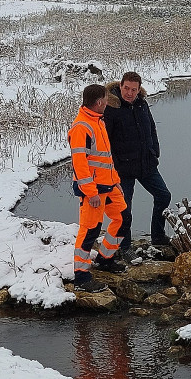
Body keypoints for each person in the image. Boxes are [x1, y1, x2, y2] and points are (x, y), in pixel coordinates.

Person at [103, 71, 171, 252]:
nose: (129, 93)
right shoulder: (111, 108)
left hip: (146, 163)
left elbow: (151, 127)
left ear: (139, 89)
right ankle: (124, 247)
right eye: (126, 88)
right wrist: (113, 165)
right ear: (120, 86)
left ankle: (157, 236)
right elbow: (105, 141)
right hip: (122, 168)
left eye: (134, 89)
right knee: (123, 210)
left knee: (164, 195)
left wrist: (154, 151)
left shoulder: (142, 104)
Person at [69, 84, 127, 291]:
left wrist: (116, 179)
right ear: (100, 102)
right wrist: (90, 192)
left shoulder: (97, 121)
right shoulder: (81, 127)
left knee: (122, 219)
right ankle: (81, 277)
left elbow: (104, 159)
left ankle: (105, 258)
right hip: (93, 191)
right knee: (89, 231)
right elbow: (79, 163)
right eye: (106, 99)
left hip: (109, 185)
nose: (109, 102)